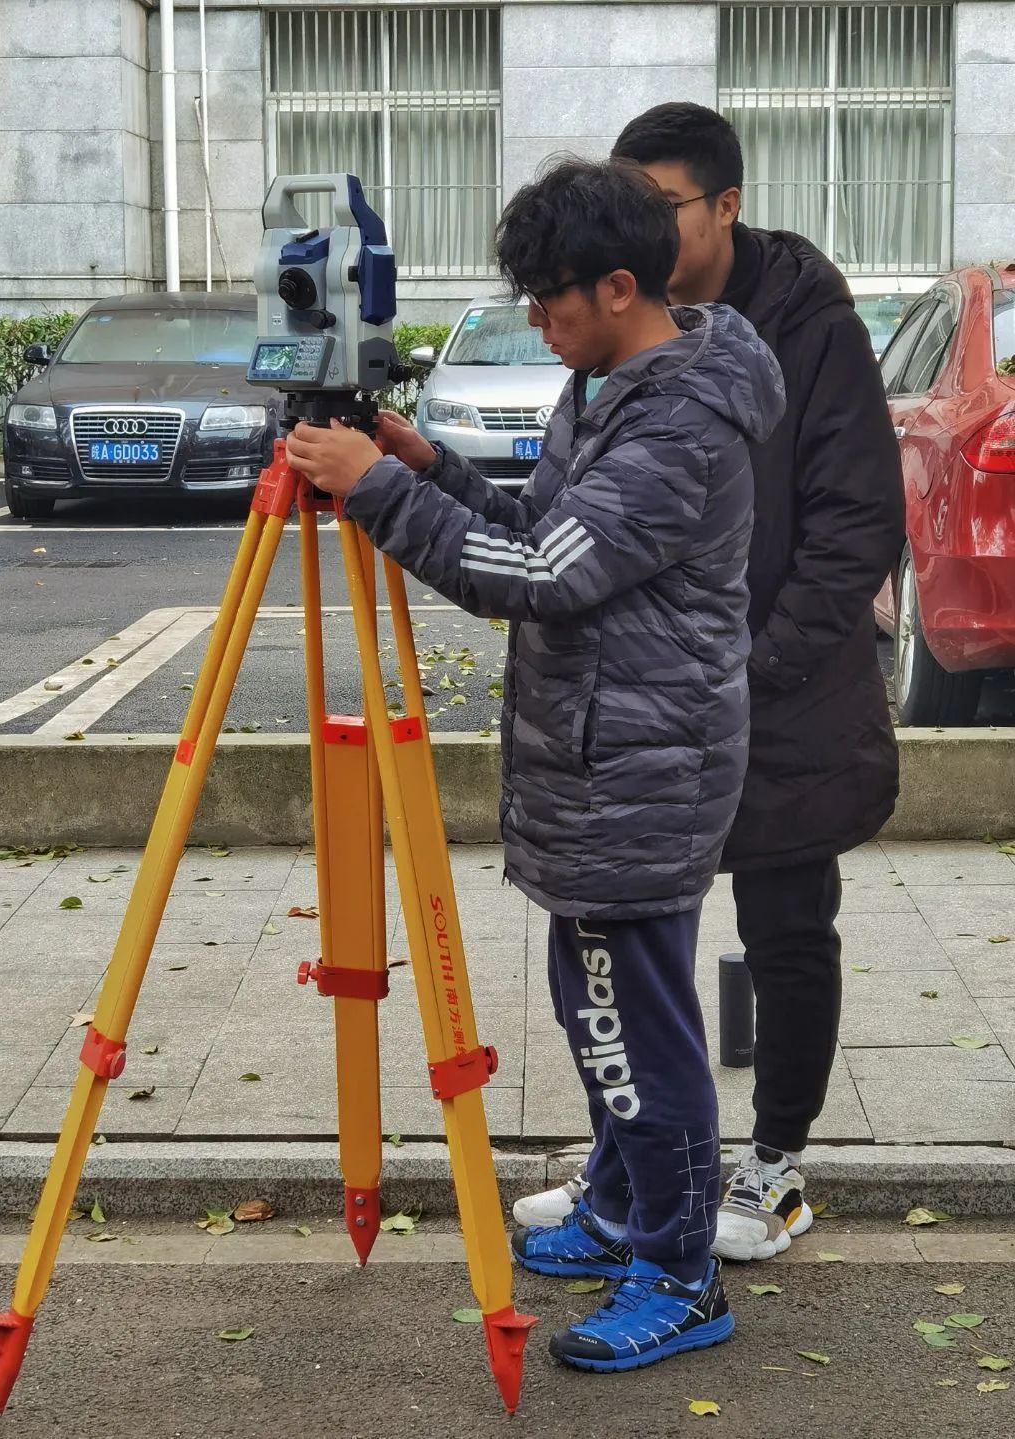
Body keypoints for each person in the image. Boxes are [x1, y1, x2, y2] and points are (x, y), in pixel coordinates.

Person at [286, 157, 784, 1370]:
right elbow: (541, 525)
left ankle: (680, 1269)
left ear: (617, 287)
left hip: (641, 768)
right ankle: (619, 1208)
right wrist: (427, 467)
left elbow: (541, 577)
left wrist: (376, 494)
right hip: (601, 759)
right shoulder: (607, 381)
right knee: (595, 1002)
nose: (538, 319)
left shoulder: (681, 421)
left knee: (636, 1029)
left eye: (550, 297)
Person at [513, 104, 904, 1263]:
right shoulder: (622, 323)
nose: (636, 224)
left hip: (783, 685)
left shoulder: (809, 323)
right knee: (634, 949)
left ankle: (775, 1164)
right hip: (653, 698)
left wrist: (753, 662)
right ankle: (634, 1174)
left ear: (725, 206)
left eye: (662, 203)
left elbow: (857, 519)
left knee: (786, 924)